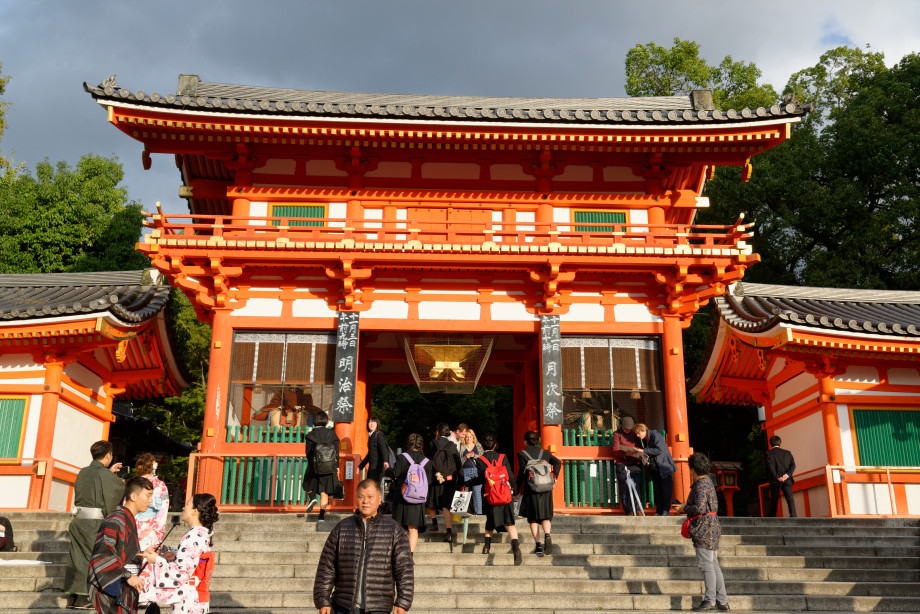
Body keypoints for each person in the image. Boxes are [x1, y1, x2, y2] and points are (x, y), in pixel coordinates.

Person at [313, 479, 414, 614]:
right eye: (361, 497)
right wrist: (323, 599)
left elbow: (404, 568)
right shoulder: (342, 528)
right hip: (344, 604)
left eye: (370, 497)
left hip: (379, 606)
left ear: (379, 499)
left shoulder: (394, 529)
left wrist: (403, 602)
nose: (365, 501)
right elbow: (327, 566)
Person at [65, 441, 127, 609]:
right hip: (94, 522)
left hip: (78, 520)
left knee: (77, 557)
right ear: (108, 455)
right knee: (90, 557)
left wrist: (108, 473)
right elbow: (114, 492)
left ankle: (73, 595)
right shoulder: (105, 475)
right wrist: (119, 483)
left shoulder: (83, 472)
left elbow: (95, 482)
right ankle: (84, 596)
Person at [141, 493, 220, 614]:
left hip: (188, 602)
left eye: (188, 504)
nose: (183, 507)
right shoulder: (201, 534)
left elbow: (180, 573)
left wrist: (156, 560)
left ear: (195, 510)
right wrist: (177, 555)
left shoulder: (193, 537)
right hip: (194, 598)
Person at [88, 477, 156, 614]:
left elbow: (123, 552)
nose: (150, 500)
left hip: (125, 584)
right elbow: (102, 555)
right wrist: (128, 575)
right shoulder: (116, 520)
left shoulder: (125, 518)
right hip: (119, 582)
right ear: (133, 496)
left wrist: (142, 553)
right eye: (148, 495)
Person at [678, 453, 728, 611]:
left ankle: (710, 600)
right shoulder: (709, 483)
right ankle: (722, 600)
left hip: (703, 527)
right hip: (712, 524)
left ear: (693, 469)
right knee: (713, 564)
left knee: (707, 565)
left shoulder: (700, 485)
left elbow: (699, 508)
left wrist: (683, 508)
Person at [470, 433, 522, 565]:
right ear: (495, 444)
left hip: (490, 496)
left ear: (482, 445)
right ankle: (516, 547)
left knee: (490, 522)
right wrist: (515, 491)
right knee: (510, 523)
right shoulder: (503, 457)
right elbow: (509, 475)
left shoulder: (480, 460)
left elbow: (482, 479)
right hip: (505, 495)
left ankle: (487, 547)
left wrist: (467, 483)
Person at [516, 430, 561, 557]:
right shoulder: (545, 453)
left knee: (533, 519)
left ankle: (538, 546)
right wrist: (555, 476)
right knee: (545, 516)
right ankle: (547, 534)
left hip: (532, 489)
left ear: (525, 441)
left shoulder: (522, 454)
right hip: (546, 488)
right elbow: (558, 462)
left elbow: (521, 474)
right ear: (537, 441)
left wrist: (517, 489)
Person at [132, 453, 170, 597]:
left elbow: (127, 505)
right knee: (149, 559)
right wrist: (154, 528)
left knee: (134, 557)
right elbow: (163, 508)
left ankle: (134, 592)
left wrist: (135, 526)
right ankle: (145, 593)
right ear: (154, 466)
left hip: (135, 525)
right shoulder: (160, 485)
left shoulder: (134, 484)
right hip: (153, 528)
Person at [387, 433, 433, 552]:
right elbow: (428, 481)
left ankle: (399, 552)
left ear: (408, 443)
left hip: (403, 496)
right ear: (421, 445)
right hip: (418, 498)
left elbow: (395, 474)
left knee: (399, 527)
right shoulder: (427, 461)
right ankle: (410, 554)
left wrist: (387, 469)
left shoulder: (402, 457)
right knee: (413, 528)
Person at [303, 411, 341, 523]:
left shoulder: (311, 435)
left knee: (307, 484)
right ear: (325, 421)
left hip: (315, 466)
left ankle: (313, 498)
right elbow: (337, 452)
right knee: (325, 492)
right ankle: (321, 517)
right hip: (329, 466)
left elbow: (308, 453)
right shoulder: (332, 434)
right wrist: (337, 466)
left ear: (315, 421)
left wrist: (312, 466)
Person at [427, 422, 462, 541]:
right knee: (446, 506)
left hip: (435, 478)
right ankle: (448, 531)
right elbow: (458, 463)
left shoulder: (433, 443)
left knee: (432, 502)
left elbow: (429, 462)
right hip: (449, 480)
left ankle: (434, 522)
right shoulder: (452, 445)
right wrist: (461, 479)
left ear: (437, 432)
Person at [633, 424, 676, 516]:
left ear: (643, 430)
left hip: (664, 466)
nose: (637, 435)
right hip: (654, 467)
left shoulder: (655, 435)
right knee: (657, 490)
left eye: (638, 433)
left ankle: (665, 510)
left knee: (665, 490)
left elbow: (658, 450)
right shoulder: (645, 440)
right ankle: (659, 510)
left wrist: (643, 451)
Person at [612, 416, 645, 515]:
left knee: (636, 486)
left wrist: (637, 452)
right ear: (622, 426)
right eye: (626, 428)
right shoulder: (617, 434)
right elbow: (615, 450)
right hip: (622, 463)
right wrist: (625, 454)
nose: (627, 430)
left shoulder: (635, 434)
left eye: (629, 429)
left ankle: (638, 509)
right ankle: (628, 511)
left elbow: (640, 447)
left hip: (634, 463)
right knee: (624, 488)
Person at [252, 386, 319, 427]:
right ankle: (276, 430)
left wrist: (302, 407)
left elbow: (308, 405)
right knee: (274, 413)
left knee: (302, 414)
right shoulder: (282, 392)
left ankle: (300, 431)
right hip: (284, 413)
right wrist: (279, 407)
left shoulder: (304, 393)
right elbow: (274, 403)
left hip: (298, 413)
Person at [765, 435, 797, 517]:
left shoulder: (768, 453)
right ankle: (793, 515)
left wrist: (777, 477)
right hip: (787, 479)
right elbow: (793, 465)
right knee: (790, 498)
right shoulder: (788, 453)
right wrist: (787, 475)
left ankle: (772, 516)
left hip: (776, 480)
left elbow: (770, 467)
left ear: (771, 444)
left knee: (774, 499)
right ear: (780, 443)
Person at [360, 416, 391, 485]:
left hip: (378, 467)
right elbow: (370, 454)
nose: (371, 424)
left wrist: (386, 461)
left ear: (377, 424)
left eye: (374, 422)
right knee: (372, 486)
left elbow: (384, 449)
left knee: (374, 487)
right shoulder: (371, 436)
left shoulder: (378, 435)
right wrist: (361, 466)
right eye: (370, 422)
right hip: (372, 466)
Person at [460, 429, 484, 515]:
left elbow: (483, 458)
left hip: (476, 471)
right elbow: (459, 461)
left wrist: (475, 456)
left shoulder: (478, 445)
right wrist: (465, 457)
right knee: (465, 492)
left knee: (477, 493)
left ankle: (479, 513)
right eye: (467, 437)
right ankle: (463, 513)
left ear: (473, 437)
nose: (469, 438)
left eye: (470, 437)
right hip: (465, 471)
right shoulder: (462, 446)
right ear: (464, 438)